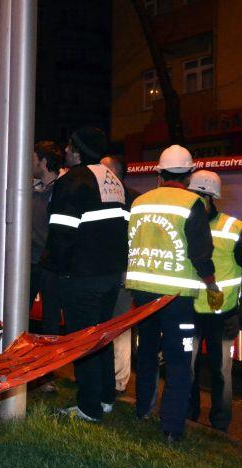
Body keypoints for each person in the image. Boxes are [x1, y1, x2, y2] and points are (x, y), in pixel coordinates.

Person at [126, 145, 221, 444]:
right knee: (179, 361)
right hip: (177, 298)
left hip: (142, 294)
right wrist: (212, 284)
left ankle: (143, 411)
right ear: (190, 174)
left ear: (159, 172)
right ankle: (171, 429)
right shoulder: (193, 203)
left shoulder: (140, 202)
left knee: (146, 356)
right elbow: (201, 253)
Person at [45, 127, 129, 422]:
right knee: (102, 337)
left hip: (81, 275)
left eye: (69, 145)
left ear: (78, 150)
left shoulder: (72, 181)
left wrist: (57, 269)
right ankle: (105, 397)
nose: (65, 150)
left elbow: (61, 234)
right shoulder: (113, 180)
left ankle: (88, 407)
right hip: (109, 274)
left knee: (84, 341)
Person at [187, 170, 242, 432]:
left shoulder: (233, 228)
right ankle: (189, 418)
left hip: (222, 314)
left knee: (221, 373)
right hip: (188, 311)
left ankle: (220, 427)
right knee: (187, 370)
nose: (193, 202)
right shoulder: (183, 223)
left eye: (198, 197)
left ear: (210, 198)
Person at [100, 155, 137, 394]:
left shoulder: (128, 199)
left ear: (113, 172)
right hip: (108, 269)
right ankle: (111, 379)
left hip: (121, 270)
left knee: (119, 326)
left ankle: (118, 381)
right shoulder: (132, 198)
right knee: (112, 325)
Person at [30, 140, 63, 335]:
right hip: (32, 262)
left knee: (50, 322)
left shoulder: (61, 190)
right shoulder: (34, 190)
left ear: (43, 161)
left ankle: (50, 365)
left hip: (50, 265)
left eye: (33, 158)